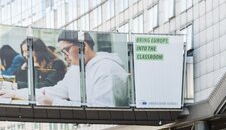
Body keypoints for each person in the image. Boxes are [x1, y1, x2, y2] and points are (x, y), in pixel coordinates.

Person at [0, 31, 129, 107]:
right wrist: (16, 93)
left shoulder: (108, 69)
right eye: (62, 52)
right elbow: (51, 91)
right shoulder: (75, 70)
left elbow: (104, 111)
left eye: (66, 50)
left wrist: (55, 102)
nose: (65, 56)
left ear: (83, 46)